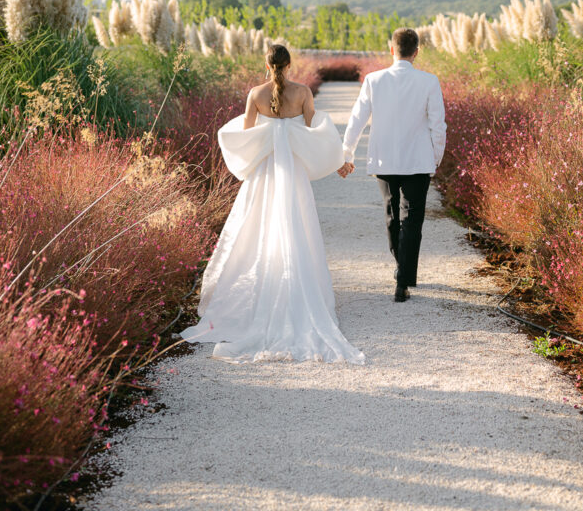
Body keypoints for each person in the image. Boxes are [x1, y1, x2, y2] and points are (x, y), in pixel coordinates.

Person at [180, 43, 365, 364]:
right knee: (295, 226)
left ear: (267, 65)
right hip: (292, 173)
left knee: (257, 229)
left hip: (264, 175)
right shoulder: (303, 93)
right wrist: (339, 162)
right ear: (288, 65)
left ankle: (261, 284)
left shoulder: (255, 94)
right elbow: (316, 137)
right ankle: (297, 289)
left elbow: (248, 140)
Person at [340, 27, 447, 303]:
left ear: (391, 49)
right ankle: (404, 278)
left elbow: (357, 119)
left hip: (384, 159)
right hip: (418, 159)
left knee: (391, 213)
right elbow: (438, 124)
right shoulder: (429, 81)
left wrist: (347, 154)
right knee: (413, 218)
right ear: (417, 51)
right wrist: (435, 157)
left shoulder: (374, 80)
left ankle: (401, 269)